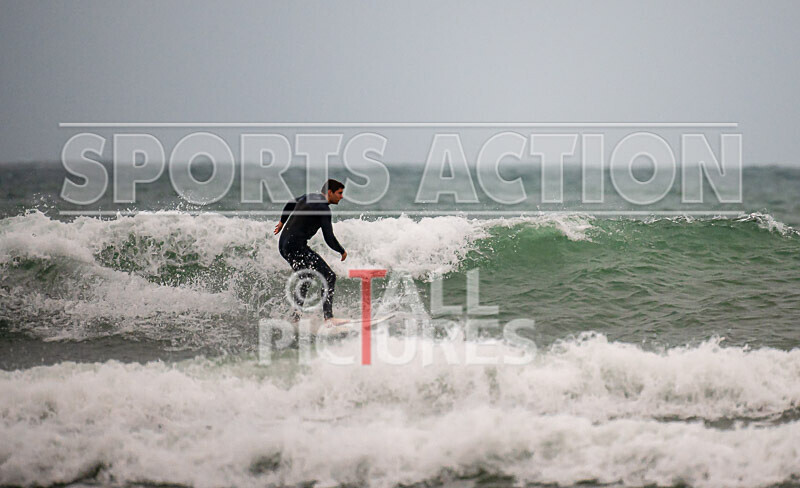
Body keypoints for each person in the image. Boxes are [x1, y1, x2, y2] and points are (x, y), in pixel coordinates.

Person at [274, 179, 347, 324]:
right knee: (330, 276)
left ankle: (295, 317)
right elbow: (329, 237)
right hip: (296, 247)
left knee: (306, 276)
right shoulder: (324, 209)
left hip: (283, 245)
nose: (342, 196)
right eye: (339, 193)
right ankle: (328, 318)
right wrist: (341, 251)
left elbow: (290, 203)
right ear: (330, 192)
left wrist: (282, 221)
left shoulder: (309, 197)